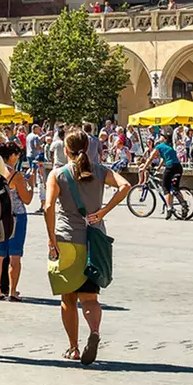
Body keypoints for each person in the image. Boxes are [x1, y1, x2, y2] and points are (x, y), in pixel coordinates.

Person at [44, 128, 130, 364]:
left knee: (68, 299)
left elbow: (48, 207)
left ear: (65, 149)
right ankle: (94, 332)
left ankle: (73, 347)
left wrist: (51, 239)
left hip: (67, 240)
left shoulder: (58, 175)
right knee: (90, 298)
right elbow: (125, 186)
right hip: (94, 241)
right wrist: (103, 211)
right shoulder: (101, 171)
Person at [0, 142, 33, 301]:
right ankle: (12, 291)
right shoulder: (16, 175)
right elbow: (27, 199)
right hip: (17, 216)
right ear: (12, 156)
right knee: (15, 256)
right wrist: (31, 184)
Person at [149, 128, 184, 219]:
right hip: (178, 167)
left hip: (170, 167)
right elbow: (164, 159)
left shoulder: (159, 146)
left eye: (161, 136)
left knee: (165, 187)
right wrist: (159, 168)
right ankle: (183, 204)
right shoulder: (169, 147)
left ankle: (169, 208)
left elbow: (150, 158)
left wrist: (143, 168)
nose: (160, 137)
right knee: (175, 187)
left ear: (164, 139)